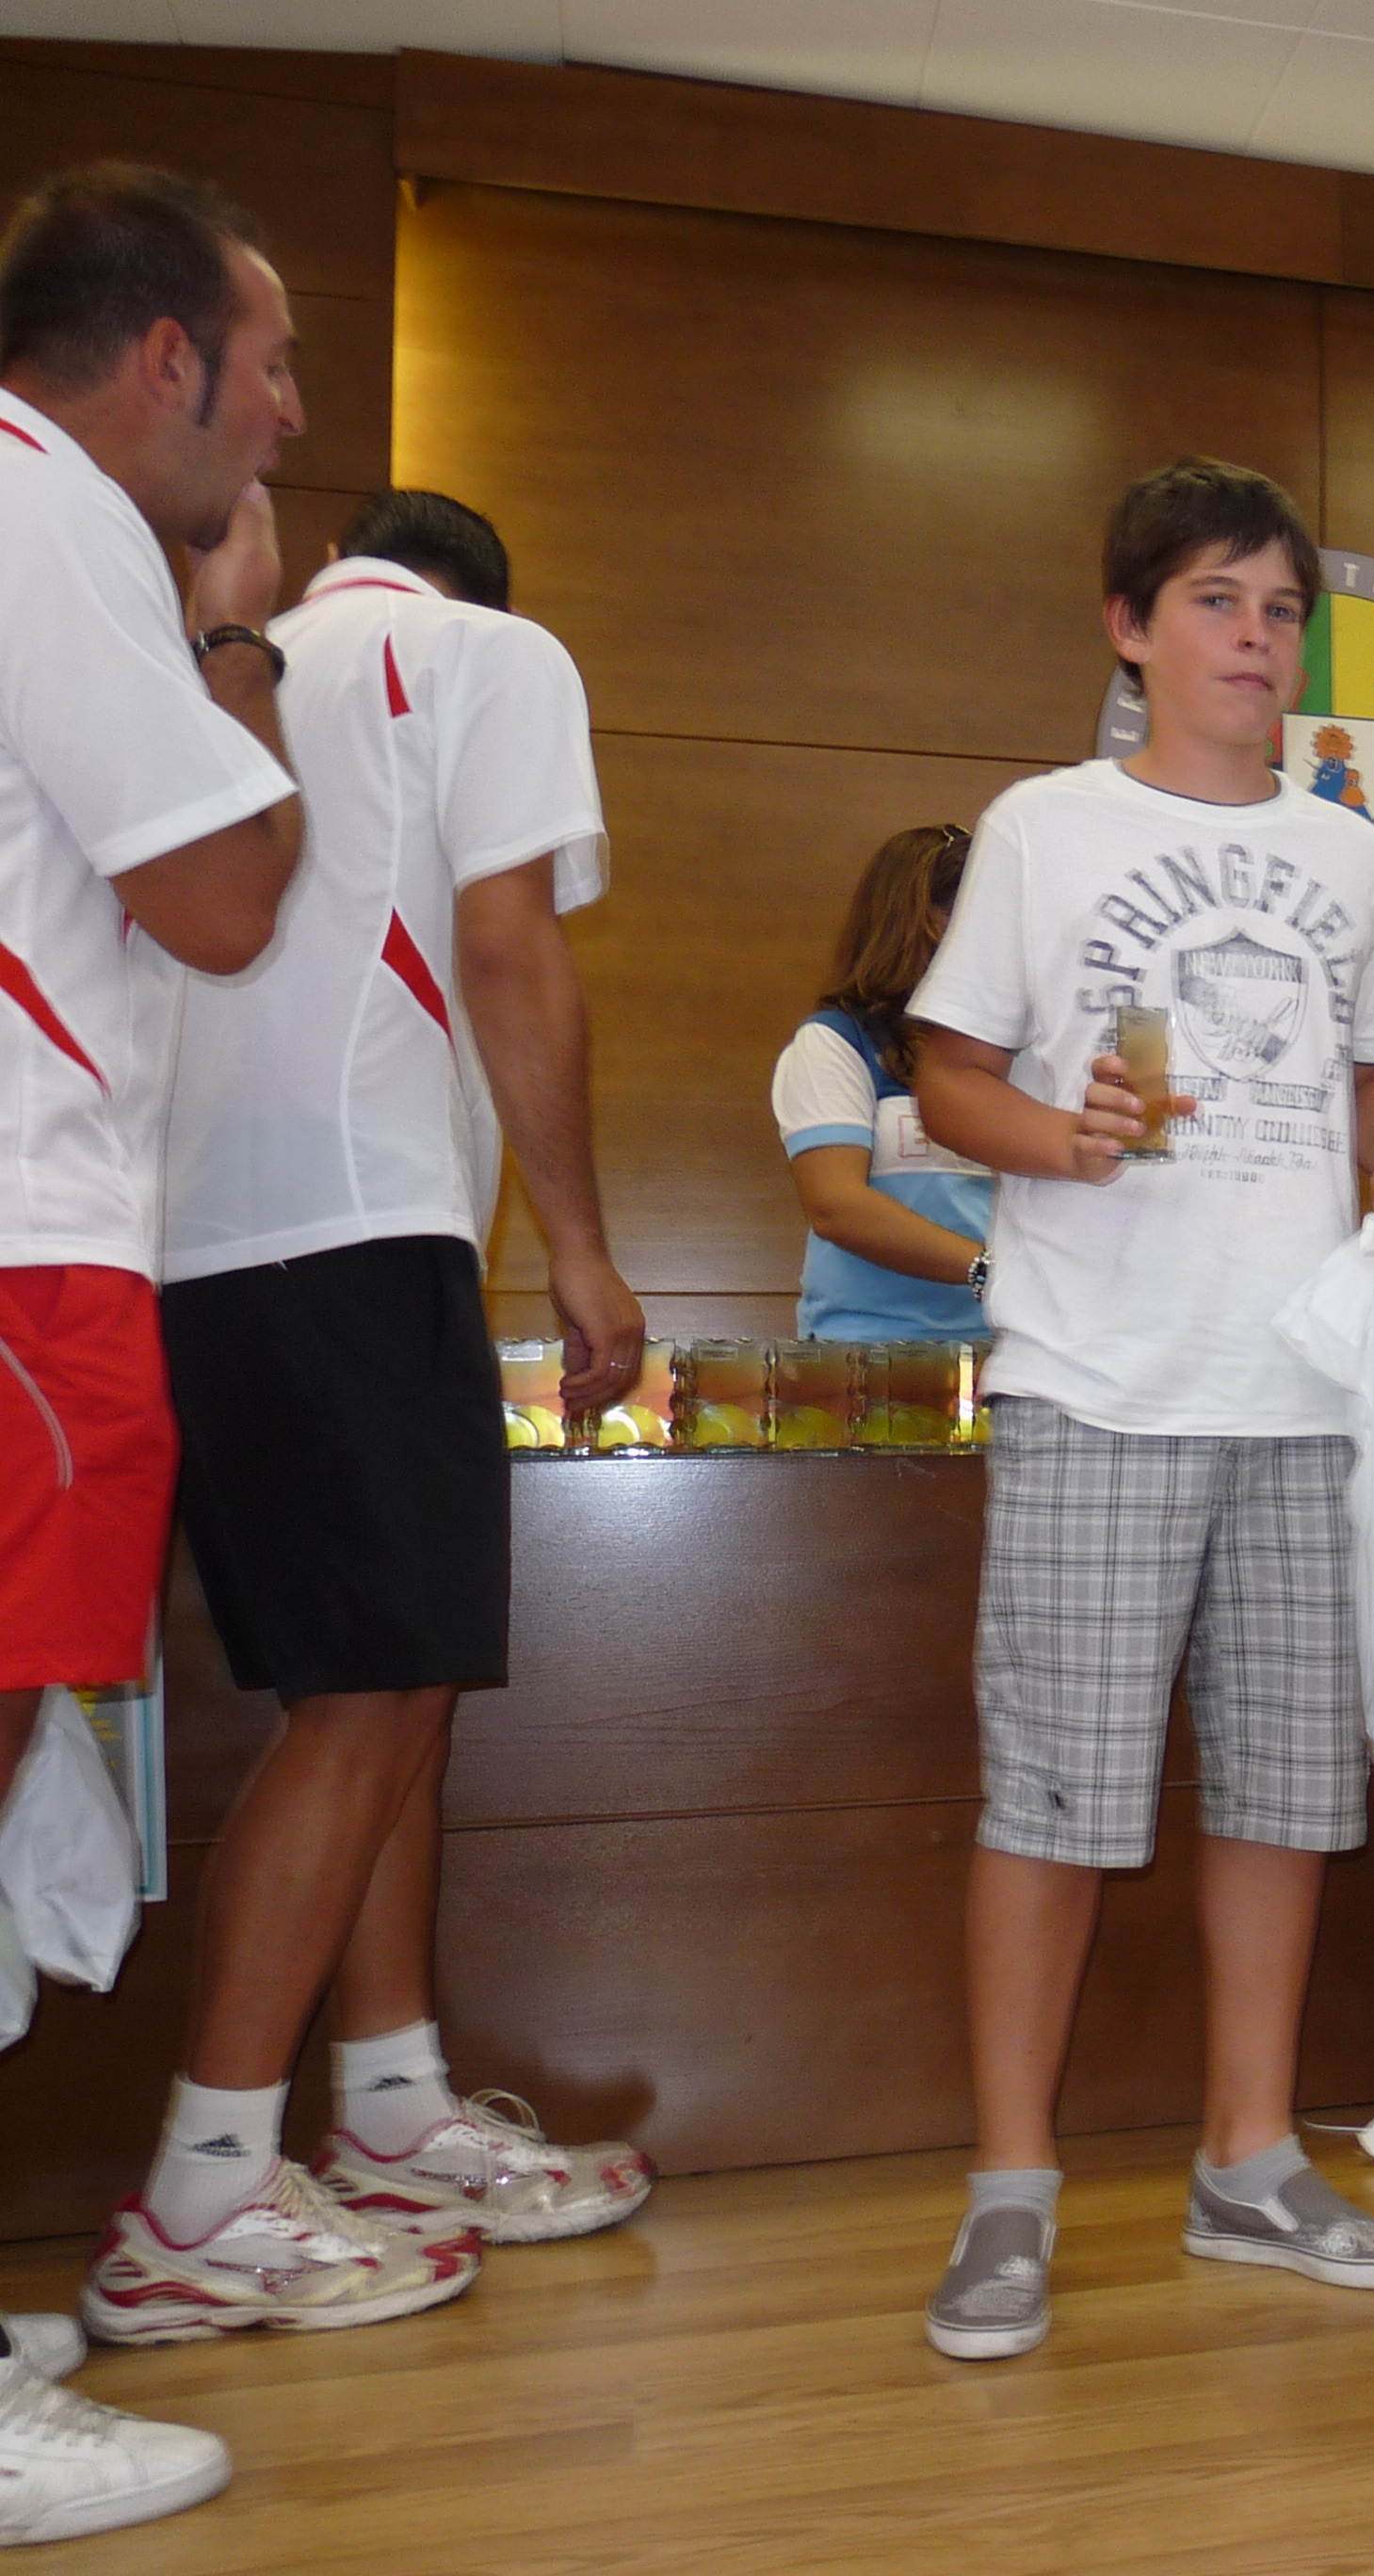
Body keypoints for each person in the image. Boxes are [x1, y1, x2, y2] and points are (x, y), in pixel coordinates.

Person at [88, 484, 654, 2347]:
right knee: (367, 1703)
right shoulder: (487, 653)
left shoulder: (220, 662)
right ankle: (202, 2191)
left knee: (392, 1686)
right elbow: (509, 946)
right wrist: (580, 1247)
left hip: (191, 1247)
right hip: (353, 1226)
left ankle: (393, 2110)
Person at [911, 457, 1374, 2359]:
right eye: (1215, 600)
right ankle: (1009, 2193)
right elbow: (947, 1074)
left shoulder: (1347, 854)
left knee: (1285, 1805)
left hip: (1305, 1393)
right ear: (1129, 629)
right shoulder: (1044, 827)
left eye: (1281, 608)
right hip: (1099, 1383)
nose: (1254, 636)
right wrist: (1056, 1136)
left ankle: (1250, 2161)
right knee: (1052, 1807)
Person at [0, 158, 305, 2537]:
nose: (286, 420)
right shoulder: (58, 514)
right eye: (271, 368)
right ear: (169, 358)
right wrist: (232, 636)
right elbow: (222, 890)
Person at [776, 822, 994, 1339]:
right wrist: (989, 1272)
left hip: (1008, 1352)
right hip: (870, 1355)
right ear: (916, 920)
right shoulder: (837, 1040)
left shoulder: (1013, 1051)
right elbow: (837, 1207)